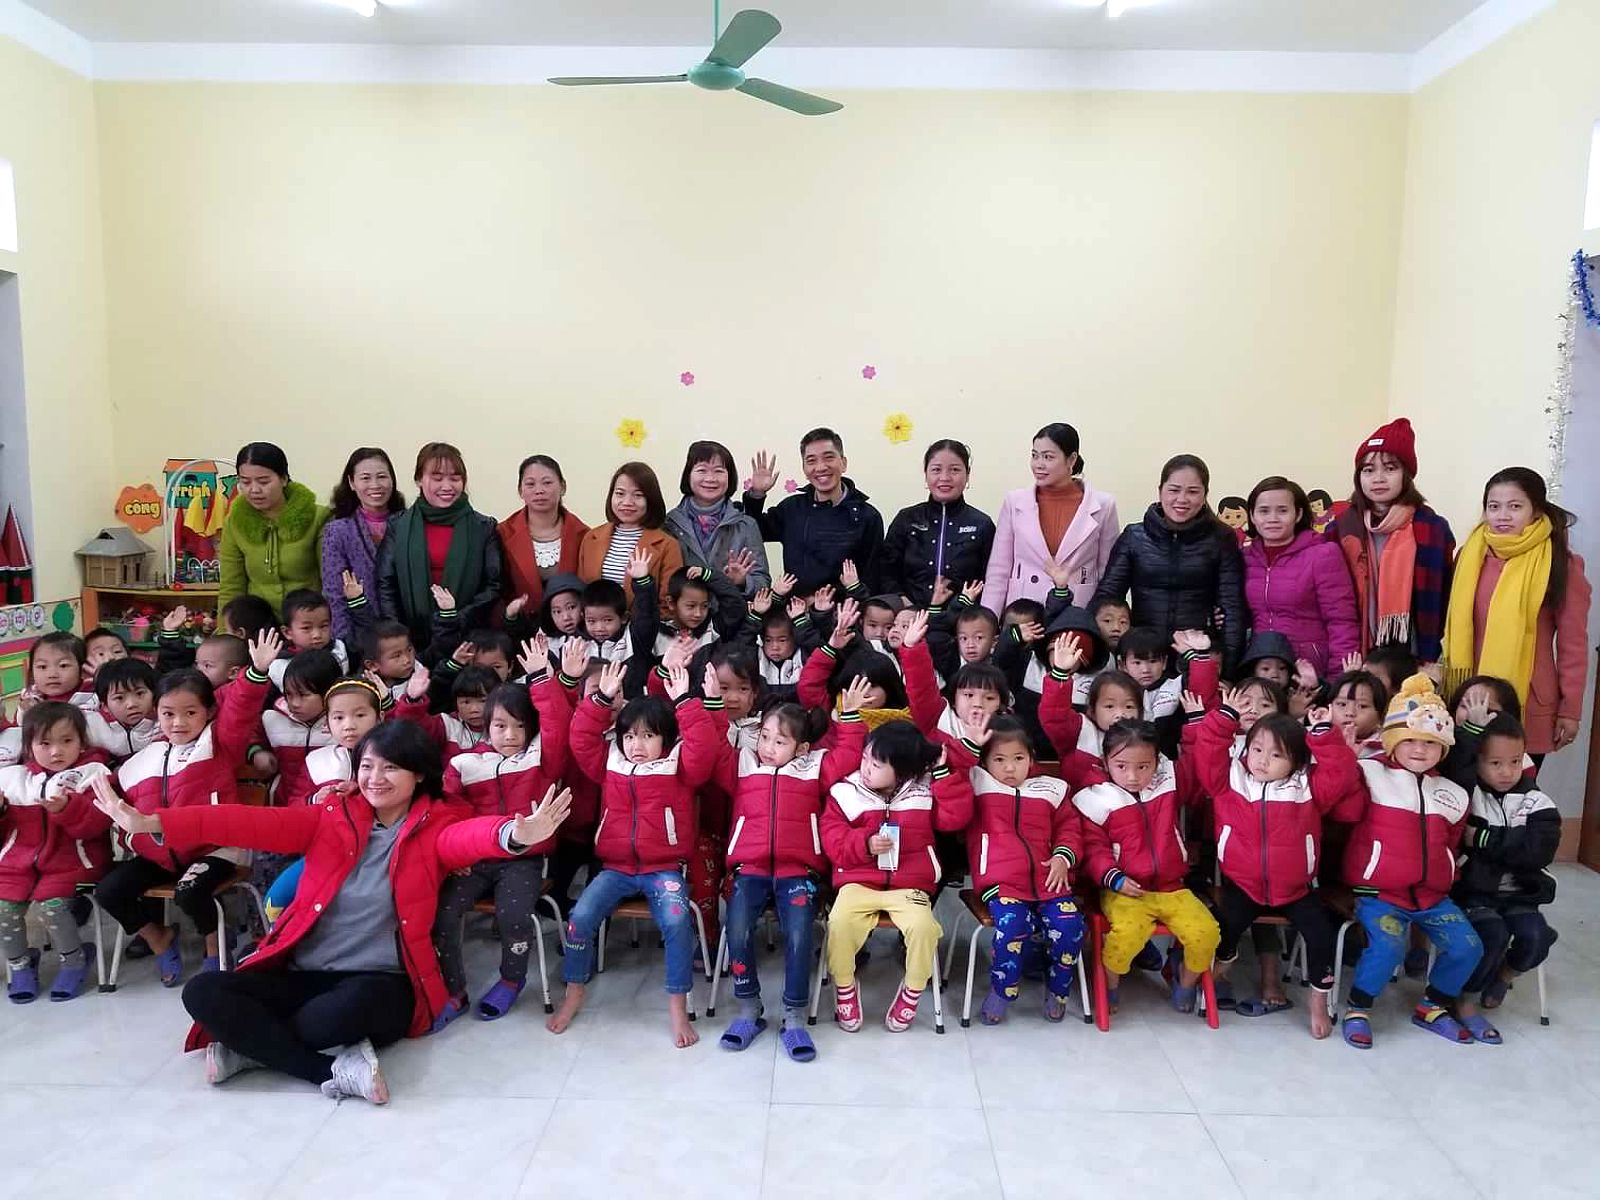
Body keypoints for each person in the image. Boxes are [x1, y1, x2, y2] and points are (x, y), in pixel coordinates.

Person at [92, 721, 570, 1103]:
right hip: (304, 972)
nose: (375, 779)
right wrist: (152, 821)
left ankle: (250, 1047)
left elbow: (469, 839)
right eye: (367, 766)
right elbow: (248, 821)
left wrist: (515, 835)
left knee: (338, 1016)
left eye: (391, 768)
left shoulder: (436, 826)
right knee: (202, 991)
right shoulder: (330, 816)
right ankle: (324, 1070)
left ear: (420, 774)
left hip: (382, 981)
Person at [553, 660, 722, 1046]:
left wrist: (686, 702)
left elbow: (704, 748)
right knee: (580, 917)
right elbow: (580, 738)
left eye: (647, 736)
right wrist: (600, 699)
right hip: (614, 869)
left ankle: (678, 1007)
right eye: (629, 736)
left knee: (677, 923)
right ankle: (574, 991)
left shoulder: (680, 766)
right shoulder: (610, 762)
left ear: (666, 739)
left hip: (663, 870)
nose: (636, 745)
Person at [708, 682, 868, 1060]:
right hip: (748, 869)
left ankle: (794, 1016)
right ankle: (749, 1009)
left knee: (799, 934)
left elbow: (849, 755)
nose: (767, 747)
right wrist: (712, 703)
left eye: (779, 741)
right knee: (737, 928)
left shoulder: (815, 768)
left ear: (802, 748)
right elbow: (713, 745)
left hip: (799, 872)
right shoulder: (744, 764)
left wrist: (850, 716)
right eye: (764, 736)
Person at [1190, 695, 1358, 1038]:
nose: (1262, 760)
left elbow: (1340, 773)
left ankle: (1318, 998)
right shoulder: (1230, 780)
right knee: (1223, 930)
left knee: (1321, 936)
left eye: (1277, 754)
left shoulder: (1308, 786)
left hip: (1296, 890)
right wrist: (1225, 718)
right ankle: (1222, 966)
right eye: (1257, 749)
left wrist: (1324, 734)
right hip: (1243, 885)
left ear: (1297, 760)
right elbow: (1206, 753)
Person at [1336, 674, 1484, 1050]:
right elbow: (1343, 812)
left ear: (1443, 748)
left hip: (1432, 896)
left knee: (1468, 946)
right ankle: (1358, 1009)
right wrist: (1345, 765)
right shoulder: (1370, 772)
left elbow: (1451, 841)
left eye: (1431, 742)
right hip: (1380, 893)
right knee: (1388, 946)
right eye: (1411, 740)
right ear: (1393, 740)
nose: (1420, 750)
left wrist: (1446, 870)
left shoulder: (1452, 793)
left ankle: (1432, 1006)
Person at [92, 664, 261, 985]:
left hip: (214, 851)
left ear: (209, 711)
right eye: (168, 713)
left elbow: (241, 710)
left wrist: (257, 673)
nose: (178, 722)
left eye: (190, 712)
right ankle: (159, 939)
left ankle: (214, 946)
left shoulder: (218, 745)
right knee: (109, 891)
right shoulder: (142, 759)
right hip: (160, 856)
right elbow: (101, 794)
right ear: (156, 712)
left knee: (189, 891)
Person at [432, 662, 571, 1026]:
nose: (510, 735)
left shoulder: (540, 758)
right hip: (476, 858)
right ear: (486, 725)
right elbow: (447, 812)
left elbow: (557, 723)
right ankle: (454, 990)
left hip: (523, 859)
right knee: (443, 911)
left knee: (513, 916)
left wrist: (541, 679)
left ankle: (511, 980)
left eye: (520, 726)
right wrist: (455, 857)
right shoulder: (464, 764)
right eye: (500, 725)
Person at [822, 719, 975, 1033]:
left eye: (876, 764)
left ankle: (912, 991)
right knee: (839, 923)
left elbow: (954, 819)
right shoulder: (845, 791)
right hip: (858, 881)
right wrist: (864, 844)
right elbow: (832, 837)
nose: (865, 768)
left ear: (903, 770)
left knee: (924, 929)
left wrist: (943, 775)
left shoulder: (924, 790)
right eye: (865, 758)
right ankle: (845, 987)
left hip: (909, 885)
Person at [1441, 467, 1591, 761]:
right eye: (1494, 507)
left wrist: (1570, 710)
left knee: (1517, 785)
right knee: (1464, 779)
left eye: (1515, 506)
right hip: (1468, 696)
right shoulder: (1469, 556)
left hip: (1528, 701)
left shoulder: (1560, 563)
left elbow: (1573, 644)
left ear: (1536, 511)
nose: (1502, 516)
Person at [1074, 719, 1219, 1014]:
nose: (1132, 776)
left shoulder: (1169, 782)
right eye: (1121, 766)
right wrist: (1113, 878)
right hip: (1125, 890)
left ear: (1157, 762)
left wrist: (1194, 725)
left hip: (1173, 888)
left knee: (1207, 932)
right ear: (1105, 761)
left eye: (1143, 766)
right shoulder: (1095, 798)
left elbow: (1195, 763)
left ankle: (1184, 981)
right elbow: (1093, 848)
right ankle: (1110, 985)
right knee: (1126, 936)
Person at [962, 713, 1086, 1024]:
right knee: (1012, 928)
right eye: (999, 759)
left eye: (1018, 758)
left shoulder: (1052, 789)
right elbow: (951, 767)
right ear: (984, 761)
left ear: (1031, 758)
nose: (1009, 768)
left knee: (1070, 927)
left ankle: (1058, 991)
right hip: (1002, 883)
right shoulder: (977, 784)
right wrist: (969, 745)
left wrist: (1063, 857)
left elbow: (1070, 828)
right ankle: (1002, 991)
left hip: (1051, 882)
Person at [1444, 712, 1559, 1041]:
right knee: (1493, 933)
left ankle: (1504, 975)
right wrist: (1514, 840)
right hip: (1475, 892)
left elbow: (1537, 853)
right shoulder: (1468, 795)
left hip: (1521, 893)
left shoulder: (1537, 801)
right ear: (1478, 761)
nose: (1507, 772)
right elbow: (1456, 768)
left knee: (1536, 937)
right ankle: (1465, 1000)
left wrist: (1483, 838)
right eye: (1495, 763)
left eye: (1515, 761)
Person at [0, 703, 113, 1003]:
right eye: (45, 743)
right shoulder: (12, 779)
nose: (56, 752)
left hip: (75, 864)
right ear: (29, 747)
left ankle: (75, 960)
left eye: (66, 741)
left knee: (52, 905)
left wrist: (67, 809)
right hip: (17, 866)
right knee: (3, 908)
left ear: (82, 742)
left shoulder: (94, 775)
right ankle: (20, 965)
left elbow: (96, 826)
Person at [1092, 454, 1247, 672]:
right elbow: (1107, 597)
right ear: (1160, 491)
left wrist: (1228, 672)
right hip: (1144, 658)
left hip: (1197, 655)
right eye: (1174, 490)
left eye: (1192, 491)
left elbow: (1231, 607)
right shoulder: (1134, 536)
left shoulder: (1222, 538)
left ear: (1205, 495)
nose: (1182, 499)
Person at [1328, 418, 1456, 663]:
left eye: (1390, 468)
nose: (1378, 478)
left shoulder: (1432, 529)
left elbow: (1445, 598)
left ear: (1406, 474)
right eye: (1368, 470)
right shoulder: (1340, 529)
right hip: (1355, 653)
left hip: (1415, 654)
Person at [375, 443, 501, 658]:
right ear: (419, 480)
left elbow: (493, 585)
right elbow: (386, 583)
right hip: (411, 640)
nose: (447, 486)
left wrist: (454, 620)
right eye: (437, 477)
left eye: (455, 478)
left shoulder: (483, 527)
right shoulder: (399, 525)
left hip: (467, 639)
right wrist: (399, 634)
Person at [982, 423, 1119, 614]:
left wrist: (1102, 621)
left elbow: (1108, 575)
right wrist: (988, 620)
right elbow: (999, 571)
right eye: (1034, 455)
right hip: (1024, 613)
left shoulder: (1103, 505)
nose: (1038, 464)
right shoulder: (1014, 502)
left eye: (1048, 457)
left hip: (1078, 611)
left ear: (1071, 459)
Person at [1241, 476, 1360, 678]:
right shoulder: (1244, 557)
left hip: (1309, 670)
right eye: (1263, 511)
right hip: (1262, 668)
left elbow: (1341, 621)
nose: (1272, 518)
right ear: (1251, 516)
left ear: (1298, 514)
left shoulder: (1323, 554)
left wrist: (1338, 680)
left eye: (1282, 510)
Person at [743, 428, 885, 595]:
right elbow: (754, 532)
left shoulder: (867, 516)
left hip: (845, 608)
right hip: (796, 606)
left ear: (843, 463)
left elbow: (872, 577)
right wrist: (757, 494)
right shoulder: (792, 508)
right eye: (811, 461)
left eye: (828, 457)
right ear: (804, 468)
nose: (820, 467)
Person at [218, 442, 330, 617]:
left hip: (309, 623)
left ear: (283, 479)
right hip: (258, 624)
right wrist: (226, 630)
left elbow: (332, 583)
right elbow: (231, 586)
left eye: (264, 481)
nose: (254, 490)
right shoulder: (235, 522)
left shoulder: (318, 518)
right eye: (245, 482)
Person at [881, 439, 996, 607]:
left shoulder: (982, 524)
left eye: (955, 470)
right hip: (909, 614)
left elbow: (992, 580)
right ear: (926, 473)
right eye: (936, 470)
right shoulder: (907, 519)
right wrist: (902, 602)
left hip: (964, 617)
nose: (945, 478)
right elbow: (885, 570)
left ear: (967, 474)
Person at [664, 440, 771, 598]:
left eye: (719, 471)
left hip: (731, 611)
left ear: (729, 477)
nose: (710, 478)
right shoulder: (670, 524)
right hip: (685, 612)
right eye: (702, 470)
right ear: (688, 475)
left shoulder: (746, 525)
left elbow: (763, 584)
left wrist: (742, 581)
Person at [320, 447, 405, 645]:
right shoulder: (338, 530)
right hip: (359, 634)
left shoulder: (407, 524)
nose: (375, 485)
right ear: (352, 483)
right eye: (365, 478)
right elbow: (334, 594)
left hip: (403, 632)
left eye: (382, 477)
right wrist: (344, 644)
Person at [577, 462, 685, 608]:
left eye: (638, 495)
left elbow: (669, 604)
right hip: (595, 622)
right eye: (620, 493)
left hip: (644, 621)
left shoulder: (667, 545)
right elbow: (581, 592)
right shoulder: (591, 537)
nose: (627, 502)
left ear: (651, 499)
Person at [498, 454, 589, 619]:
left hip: (570, 628)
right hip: (518, 626)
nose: (539, 490)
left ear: (563, 487)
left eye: (547, 483)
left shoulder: (584, 535)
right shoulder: (502, 533)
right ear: (520, 491)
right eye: (530, 484)